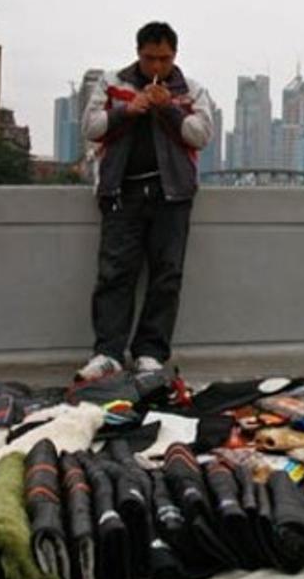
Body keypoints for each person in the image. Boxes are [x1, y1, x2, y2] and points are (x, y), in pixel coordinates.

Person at [75, 21, 214, 381]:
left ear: (174, 56)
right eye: (150, 59)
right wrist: (127, 110)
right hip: (123, 192)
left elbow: (200, 136)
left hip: (173, 195)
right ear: (138, 53)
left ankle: (150, 351)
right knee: (115, 273)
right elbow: (90, 128)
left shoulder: (192, 91)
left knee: (166, 275)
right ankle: (108, 352)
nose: (157, 67)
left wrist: (168, 108)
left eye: (164, 59)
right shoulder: (112, 83)